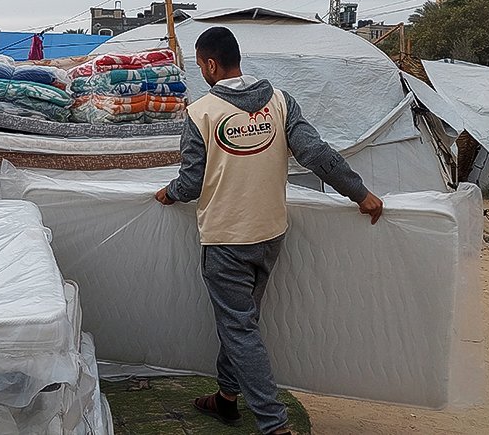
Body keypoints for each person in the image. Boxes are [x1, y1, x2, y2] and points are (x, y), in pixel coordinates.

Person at [155, 27, 383, 434]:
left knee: (239, 329)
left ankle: (274, 425)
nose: (202, 71)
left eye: (201, 65)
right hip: (270, 234)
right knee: (241, 322)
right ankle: (226, 399)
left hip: (227, 240)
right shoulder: (280, 101)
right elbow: (315, 152)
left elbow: (190, 184)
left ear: (211, 65)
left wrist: (169, 193)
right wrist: (360, 193)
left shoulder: (201, 113)